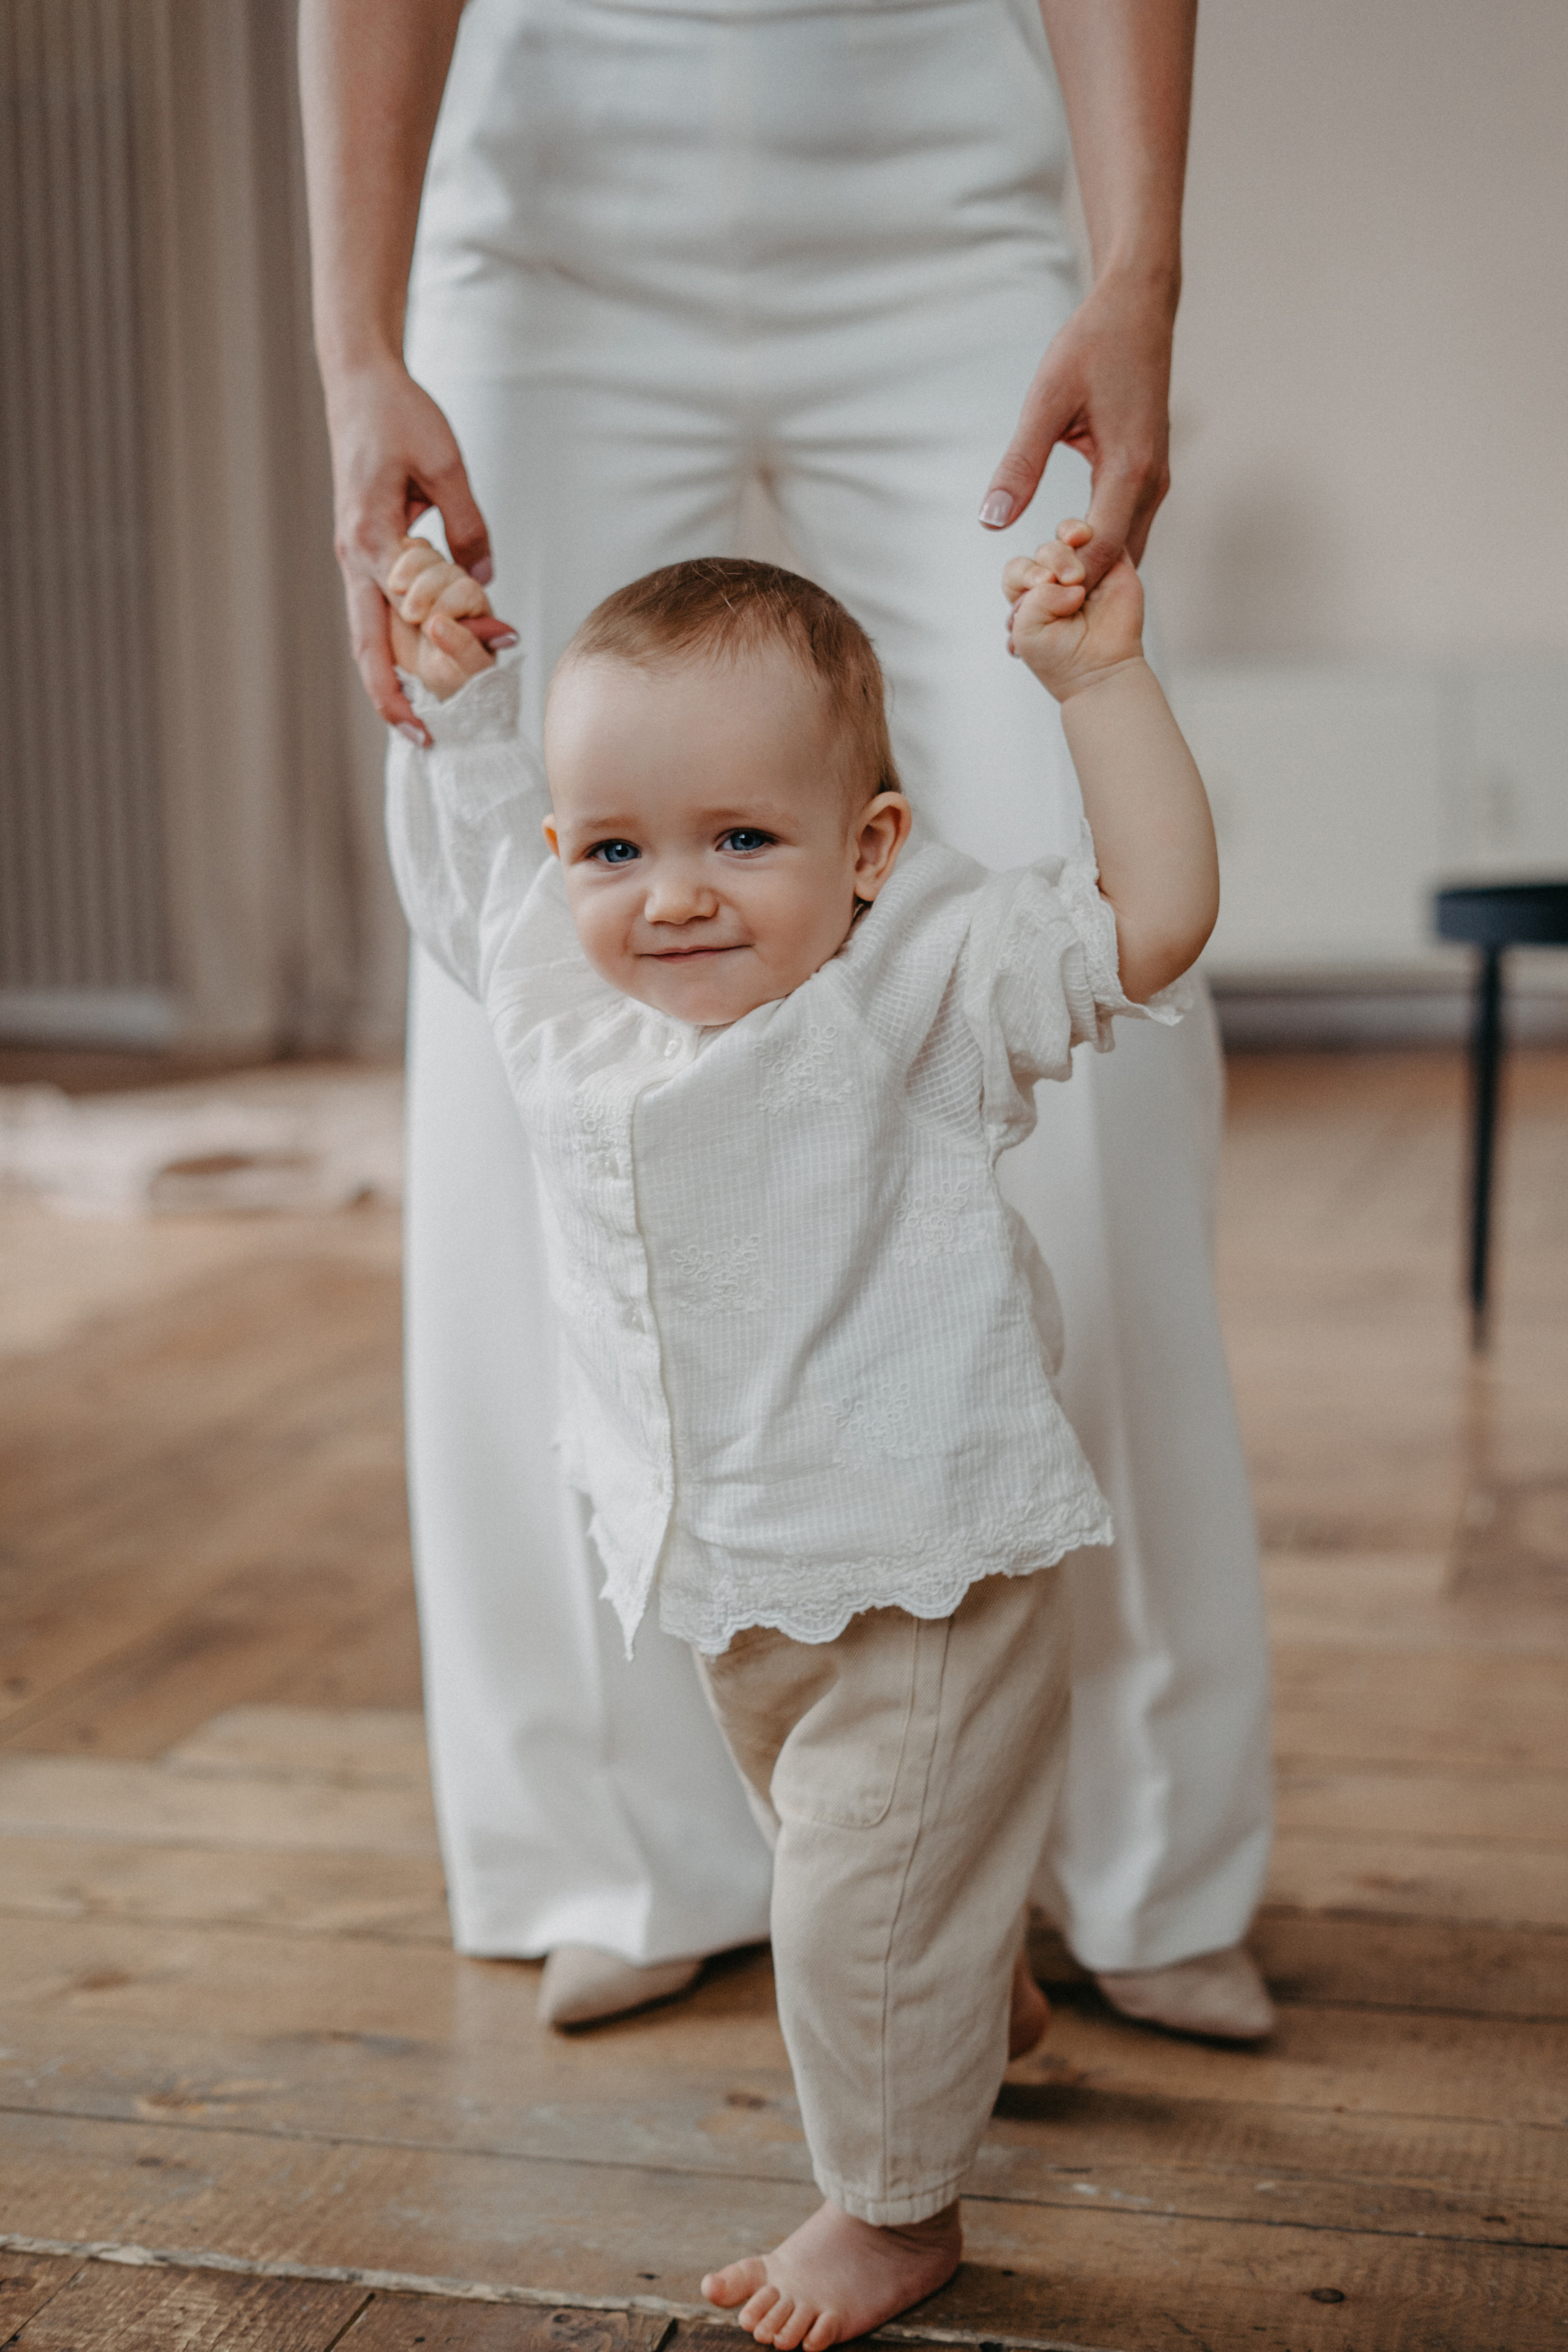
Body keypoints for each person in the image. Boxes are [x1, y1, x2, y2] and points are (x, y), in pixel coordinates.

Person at [301, 0, 1274, 2038]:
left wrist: (1140, 268)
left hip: (940, 152)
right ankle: (625, 1838)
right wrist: (355, 343)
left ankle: (1145, 1847)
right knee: (538, 999)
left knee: (1092, 1019)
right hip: (542, 181)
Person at [379, 529, 1221, 2346]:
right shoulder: (565, 1016)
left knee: (847, 1899)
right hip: (731, 1585)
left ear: (871, 853)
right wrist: (458, 714)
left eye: (741, 840)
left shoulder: (912, 1001)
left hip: (928, 1567)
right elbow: (473, 892)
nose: (671, 895)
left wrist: (1098, 684)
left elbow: (1150, 916)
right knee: (863, 1870)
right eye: (615, 849)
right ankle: (966, 1980)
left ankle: (894, 2211)